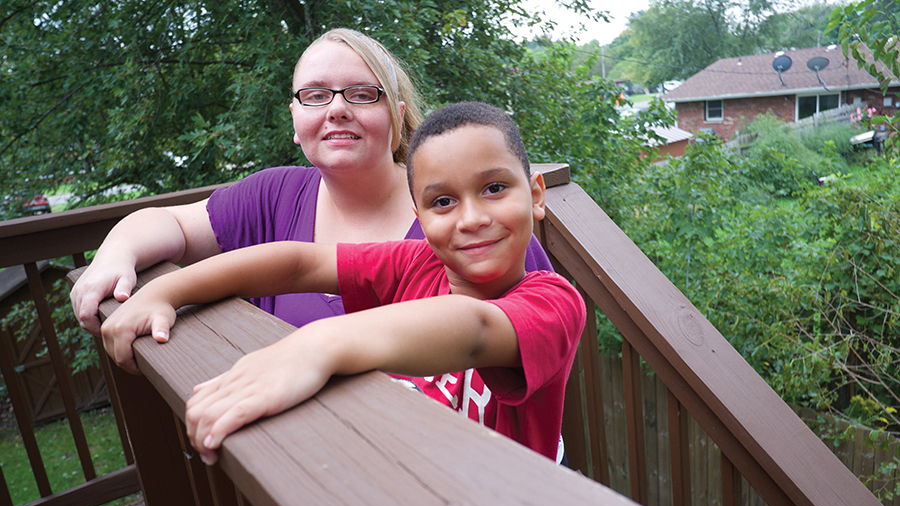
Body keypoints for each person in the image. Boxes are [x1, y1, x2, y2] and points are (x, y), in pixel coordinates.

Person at [100, 101, 586, 466]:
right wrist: (167, 291)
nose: (472, 218)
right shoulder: (414, 264)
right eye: (442, 202)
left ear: (536, 194)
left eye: (494, 188)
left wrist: (316, 345)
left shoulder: (554, 303)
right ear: (418, 213)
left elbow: (479, 329)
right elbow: (297, 264)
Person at [70, 28, 553, 333]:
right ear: (294, 118)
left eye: (363, 94)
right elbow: (168, 223)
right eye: (316, 95)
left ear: (398, 116)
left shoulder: (470, 225)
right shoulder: (275, 195)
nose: (338, 108)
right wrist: (115, 257)